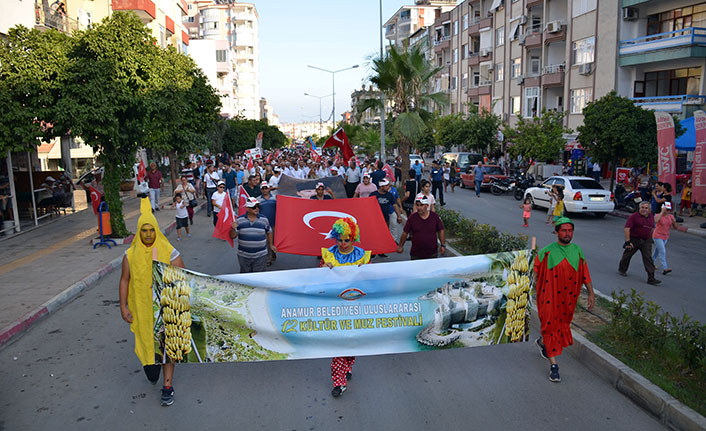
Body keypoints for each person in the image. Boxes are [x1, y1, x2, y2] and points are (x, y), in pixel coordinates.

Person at [119, 198, 185, 406]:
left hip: (166, 310)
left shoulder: (170, 251)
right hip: (143, 312)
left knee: (167, 347)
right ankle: (153, 370)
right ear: (139, 232)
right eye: (144, 231)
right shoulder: (129, 255)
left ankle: (168, 386)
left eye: (151, 230)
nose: (148, 234)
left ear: (157, 230)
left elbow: (183, 276)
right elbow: (124, 280)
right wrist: (123, 306)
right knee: (150, 363)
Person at [534, 217, 595, 383]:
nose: (567, 234)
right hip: (548, 297)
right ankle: (554, 366)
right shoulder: (546, 252)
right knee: (549, 323)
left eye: (570, 230)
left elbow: (585, 274)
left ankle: (542, 342)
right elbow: (535, 271)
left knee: (559, 325)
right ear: (557, 232)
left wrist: (591, 293)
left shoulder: (578, 251)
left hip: (568, 299)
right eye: (564, 230)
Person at [320, 218, 371, 398]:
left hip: (356, 309)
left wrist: (366, 270)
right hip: (335, 309)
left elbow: (371, 282)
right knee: (338, 346)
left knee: (351, 343)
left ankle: (348, 365)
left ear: (353, 238)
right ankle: (339, 382)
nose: (342, 243)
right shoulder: (329, 254)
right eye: (339, 239)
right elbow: (317, 280)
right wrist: (323, 267)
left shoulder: (362, 255)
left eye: (346, 240)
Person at [619, 201, 660, 285]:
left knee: (648, 258)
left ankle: (651, 278)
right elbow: (627, 228)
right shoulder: (634, 217)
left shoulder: (651, 216)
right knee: (627, 255)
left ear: (649, 210)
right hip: (635, 239)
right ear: (639, 208)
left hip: (646, 240)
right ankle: (622, 269)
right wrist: (627, 241)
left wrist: (651, 238)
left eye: (646, 208)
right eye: (642, 208)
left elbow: (652, 228)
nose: (644, 210)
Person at [230, 197, 276, 273]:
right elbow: (232, 236)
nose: (257, 208)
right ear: (247, 208)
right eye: (254, 207)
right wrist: (233, 228)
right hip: (244, 256)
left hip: (260, 255)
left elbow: (269, 231)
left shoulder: (264, 219)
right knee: (245, 276)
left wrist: (271, 245)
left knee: (258, 277)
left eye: (258, 206)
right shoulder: (239, 220)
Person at [396, 194, 445, 260]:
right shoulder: (412, 218)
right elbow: (405, 232)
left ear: (427, 206)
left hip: (432, 254)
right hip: (416, 254)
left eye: (421, 205)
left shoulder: (434, 217)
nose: (419, 208)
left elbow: (441, 230)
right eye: (417, 205)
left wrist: (442, 245)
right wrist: (400, 246)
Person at [653, 202, 679, 275]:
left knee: (657, 251)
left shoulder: (671, 217)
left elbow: (676, 227)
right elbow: (655, 221)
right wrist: (662, 212)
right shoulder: (658, 215)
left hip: (665, 236)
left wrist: (674, 222)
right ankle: (665, 268)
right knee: (662, 251)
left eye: (668, 210)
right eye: (665, 209)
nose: (667, 211)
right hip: (657, 235)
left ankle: (651, 262)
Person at [257, 182, 277, 266]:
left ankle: (273, 252)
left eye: (266, 188)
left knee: (273, 240)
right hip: (263, 225)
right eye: (263, 188)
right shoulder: (258, 199)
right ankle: (267, 259)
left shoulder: (275, 198)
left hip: (274, 223)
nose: (264, 190)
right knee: (266, 241)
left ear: (269, 189)